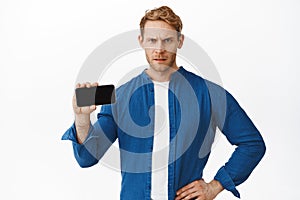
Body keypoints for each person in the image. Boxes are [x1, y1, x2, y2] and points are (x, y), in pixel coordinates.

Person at [62, 6, 266, 200]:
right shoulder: (121, 96)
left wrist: (215, 185)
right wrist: (82, 118)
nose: (159, 49)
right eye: (152, 40)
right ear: (141, 41)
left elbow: (252, 144)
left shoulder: (210, 94)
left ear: (180, 41)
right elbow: (86, 159)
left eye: (167, 40)